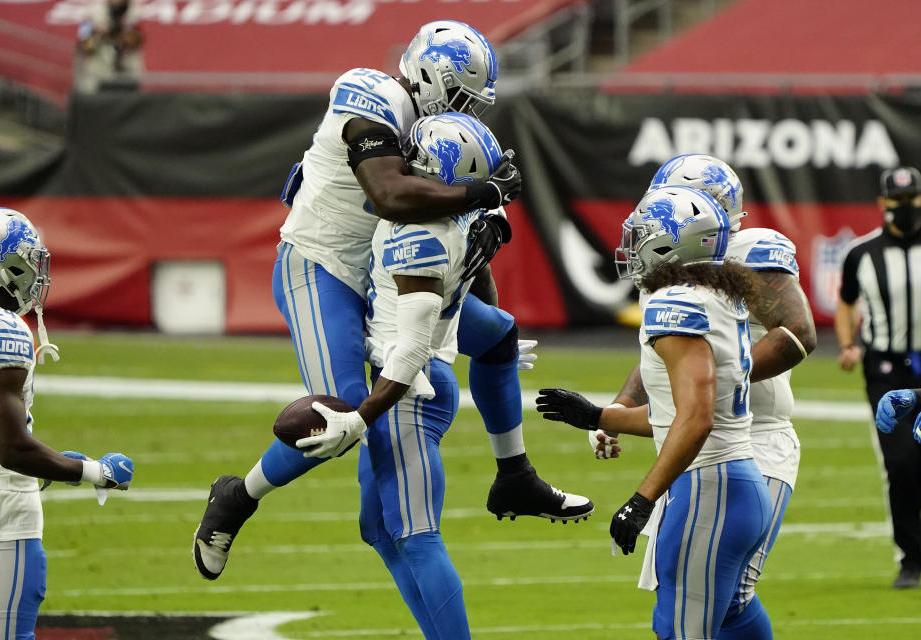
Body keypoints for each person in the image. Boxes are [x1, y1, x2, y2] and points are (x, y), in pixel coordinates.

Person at [193, 19, 592, 581]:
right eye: (459, 96)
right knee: (342, 413)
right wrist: (486, 190)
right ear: (429, 75)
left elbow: (461, 235)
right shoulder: (371, 96)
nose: (465, 112)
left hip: (387, 275)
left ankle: (515, 474)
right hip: (323, 266)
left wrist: (477, 290)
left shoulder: (441, 136)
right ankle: (238, 496)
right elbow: (389, 193)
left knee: (498, 333)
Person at [558, 154, 815, 636]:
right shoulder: (677, 274)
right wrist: (616, 410)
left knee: (716, 596)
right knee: (712, 597)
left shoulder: (748, 251)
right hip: (700, 440)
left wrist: (724, 381)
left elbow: (798, 332)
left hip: (753, 438)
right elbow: (669, 357)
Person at [299, 112, 501, 638]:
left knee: (416, 535)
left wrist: (361, 417)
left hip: (409, 390)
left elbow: (410, 348)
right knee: (381, 531)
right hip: (414, 377)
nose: (400, 160)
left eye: (415, 155)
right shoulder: (455, 220)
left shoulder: (419, 231)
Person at [0, 207, 134, 640]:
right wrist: (92, 471)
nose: (37, 267)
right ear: (4, 262)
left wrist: (52, 460)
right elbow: (13, 449)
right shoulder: (3, 330)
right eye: (28, 256)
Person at [837, 165, 921, 589]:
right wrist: (849, 343)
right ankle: (911, 558)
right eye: (897, 201)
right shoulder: (862, 252)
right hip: (886, 368)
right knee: (902, 459)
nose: (904, 208)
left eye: (911, 200)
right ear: (882, 203)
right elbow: (846, 301)